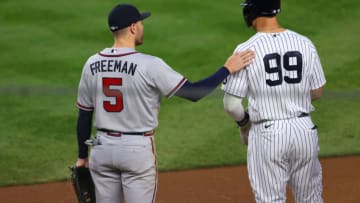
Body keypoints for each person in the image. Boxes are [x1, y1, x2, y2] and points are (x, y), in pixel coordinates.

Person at [75, 3, 255, 203]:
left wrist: (82, 156)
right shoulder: (150, 64)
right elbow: (193, 92)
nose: (143, 27)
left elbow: (84, 113)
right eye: (141, 23)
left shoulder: (92, 63)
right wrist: (227, 69)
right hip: (136, 150)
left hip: (102, 148)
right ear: (133, 27)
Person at [222, 0, 326, 202]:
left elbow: (231, 105)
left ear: (251, 11)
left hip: (268, 134)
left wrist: (245, 125)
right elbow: (317, 91)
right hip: (304, 130)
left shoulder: (246, 50)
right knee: (311, 198)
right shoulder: (304, 42)